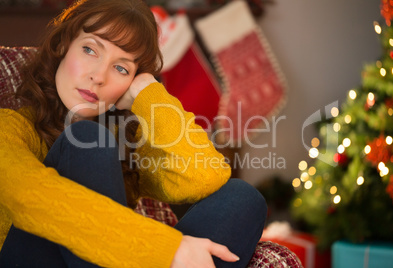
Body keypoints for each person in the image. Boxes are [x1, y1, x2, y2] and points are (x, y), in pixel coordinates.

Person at [0, 0, 267, 267]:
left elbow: (206, 175)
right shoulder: (9, 128)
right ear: (62, 47)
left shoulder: (126, 144)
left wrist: (147, 93)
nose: (99, 76)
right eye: (90, 50)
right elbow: (30, 199)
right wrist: (167, 249)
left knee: (241, 199)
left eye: (121, 68)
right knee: (87, 139)